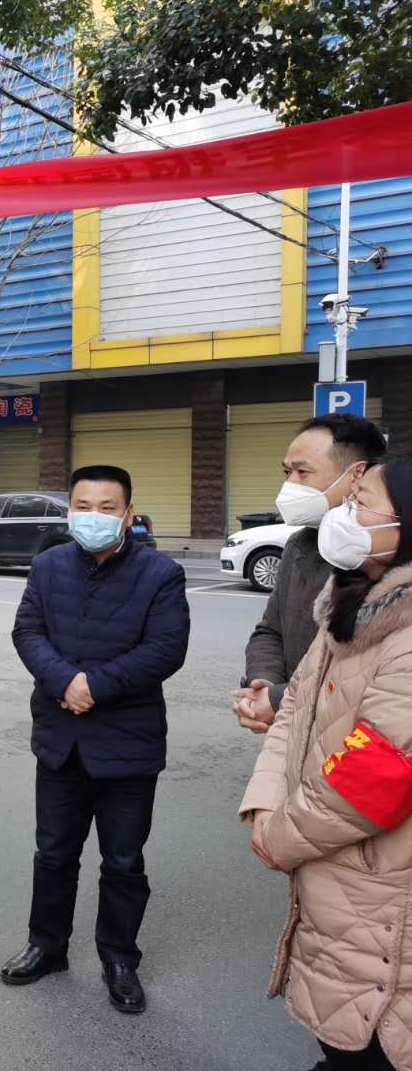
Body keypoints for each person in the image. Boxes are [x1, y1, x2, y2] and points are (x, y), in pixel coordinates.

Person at [239, 456, 412, 1071]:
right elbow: (296, 713)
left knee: (374, 1030)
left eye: (361, 502)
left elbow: (373, 777)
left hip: (382, 885)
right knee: (339, 1027)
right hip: (330, 868)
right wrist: (264, 804)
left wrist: (280, 837)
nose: (345, 514)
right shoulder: (350, 602)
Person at [0, 465, 190, 1015]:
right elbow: (27, 632)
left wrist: (94, 686)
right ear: (69, 512)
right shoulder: (48, 565)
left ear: (128, 515)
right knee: (53, 852)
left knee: (123, 860)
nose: (94, 516)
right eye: (83, 506)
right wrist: (65, 681)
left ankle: (119, 958)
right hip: (61, 737)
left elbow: (166, 649)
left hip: (128, 742)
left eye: (107, 508)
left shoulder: (161, 573)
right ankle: (47, 945)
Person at [236, 414, 386, 735]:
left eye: (302, 472)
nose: (289, 484)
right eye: (287, 472)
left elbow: (364, 672)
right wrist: (262, 682)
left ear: (356, 475)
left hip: (358, 746)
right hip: (292, 734)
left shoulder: (387, 554)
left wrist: (276, 699)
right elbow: (270, 631)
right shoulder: (299, 545)